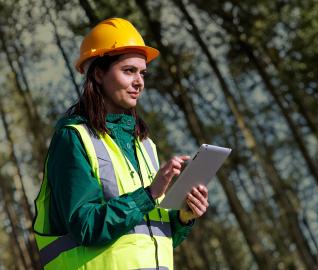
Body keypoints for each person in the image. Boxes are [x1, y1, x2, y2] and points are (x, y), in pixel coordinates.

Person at [33, 17, 209, 270]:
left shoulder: (145, 145)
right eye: (129, 71)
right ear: (99, 73)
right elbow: (85, 226)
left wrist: (183, 218)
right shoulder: (73, 138)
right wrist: (149, 194)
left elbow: (147, 239)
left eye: (143, 73)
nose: (140, 82)